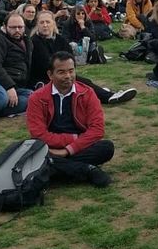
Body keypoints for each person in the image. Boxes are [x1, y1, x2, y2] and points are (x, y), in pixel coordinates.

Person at [26, 51, 115, 188]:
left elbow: (97, 129)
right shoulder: (37, 98)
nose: (68, 76)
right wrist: (72, 138)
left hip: (77, 148)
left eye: (71, 71)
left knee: (106, 147)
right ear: (50, 75)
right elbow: (38, 134)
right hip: (50, 148)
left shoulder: (87, 93)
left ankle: (54, 168)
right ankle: (87, 170)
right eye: (61, 72)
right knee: (34, 152)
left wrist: (68, 150)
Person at [29, 11, 135, 105]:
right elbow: (46, 64)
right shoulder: (34, 41)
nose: (45, 25)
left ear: (53, 23)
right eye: (42, 22)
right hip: (44, 78)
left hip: (63, 73)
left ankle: (103, 94)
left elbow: (71, 58)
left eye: (48, 22)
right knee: (81, 82)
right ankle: (108, 96)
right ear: (37, 25)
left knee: (83, 82)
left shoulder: (59, 39)